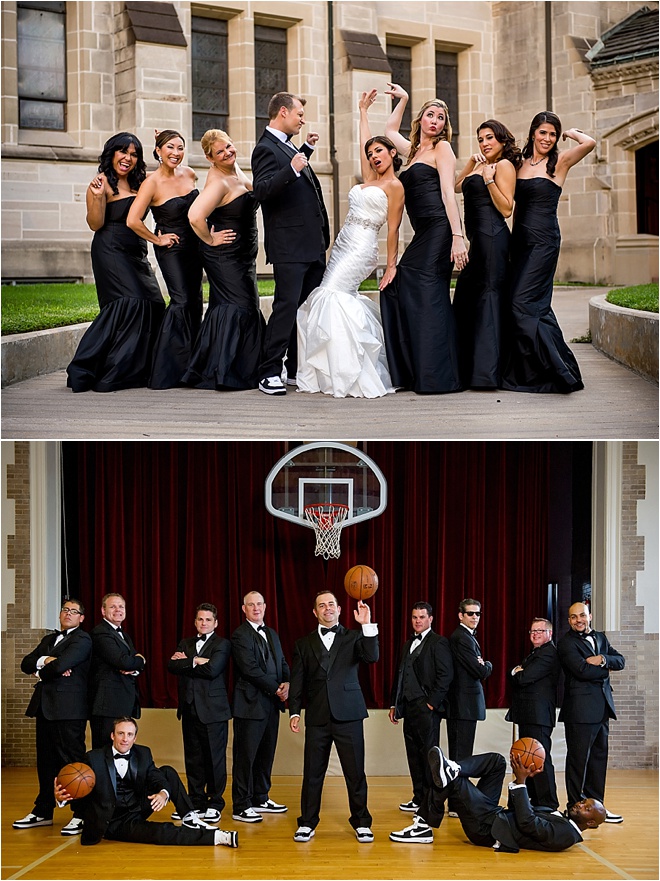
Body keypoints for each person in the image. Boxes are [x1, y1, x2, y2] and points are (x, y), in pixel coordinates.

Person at [296, 89, 404, 398]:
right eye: (371, 154)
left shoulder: (395, 186)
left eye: (380, 152)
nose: (373, 156)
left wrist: (390, 265)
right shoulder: (369, 177)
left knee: (332, 294)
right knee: (332, 294)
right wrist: (363, 112)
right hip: (344, 242)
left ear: (392, 153)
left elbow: (394, 229)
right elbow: (363, 143)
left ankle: (348, 371)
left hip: (362, 248)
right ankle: (327, 370)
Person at [380, 83, 467, 394]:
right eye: (430, 115)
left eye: (441, 117)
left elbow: (447, 192)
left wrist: (458, 236)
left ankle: (439, 376)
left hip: (440, 229)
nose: (436, 121)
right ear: (420, 121)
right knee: (399, 285)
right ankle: (414, 370)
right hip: (423, 233)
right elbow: (390, 130)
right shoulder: (413, 151)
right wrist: (403, 99)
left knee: (428, 293)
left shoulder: (442, 149)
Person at [500, 112, 595, 393]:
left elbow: (589, 143)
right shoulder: (519, 164)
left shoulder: (561, 161)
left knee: (522, 302)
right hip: (521, 241)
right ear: (533, 134)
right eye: (543, 133)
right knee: (532, 306)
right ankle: (533, 369)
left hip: (544, 242)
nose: (548, 138)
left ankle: (556, 370)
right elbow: (514, 208)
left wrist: (572, 133)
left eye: (553, 134)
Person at [66, 132, 165, 392]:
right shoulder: (101, 183)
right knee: (128, 303)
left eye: (133, 154)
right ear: (111, 154)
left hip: (136, 252)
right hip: (110, 249)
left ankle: (133, 370)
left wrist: (162, 143)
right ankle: (88, 367)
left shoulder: (141, 181)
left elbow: (166, 170)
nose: (128, 158)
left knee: (153, 303)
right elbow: (95, 224)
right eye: (123, 152)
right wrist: (98, 198)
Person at [54, 716, 238, 848]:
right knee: (161, 832)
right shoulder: (93, 758)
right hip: (115, 821)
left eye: (129, 734)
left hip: (138, 806)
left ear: (135, 737)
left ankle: (189, 817)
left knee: (167, 772)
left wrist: (163, 793)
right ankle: (218, 837)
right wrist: (62, 798)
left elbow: (155, 776)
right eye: (120, 734)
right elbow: (82, 792)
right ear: (112, 735)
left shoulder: (143, 753)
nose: (125, 739)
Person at [251, 91, 330, 395]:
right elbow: (263, 190)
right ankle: (269, 370)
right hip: (289, 245)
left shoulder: (288, 146)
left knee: (304, 308)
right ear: (283, 112)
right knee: (286, 307)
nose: (302, 119)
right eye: (299, 114)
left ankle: (296, 369)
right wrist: (294, 166)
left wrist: (306, 151)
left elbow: (294, 184)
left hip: (310, 244)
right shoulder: (264, 148)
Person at [390, 744, 606, 849]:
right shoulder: (564, 820)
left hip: (487, 829)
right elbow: (518, 811)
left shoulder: (566, 836)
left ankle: (423, 825)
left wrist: (521, 782)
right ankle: (454, 767)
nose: (579, 804)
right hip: (496, 815)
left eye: (586, 808)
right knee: (496, 762)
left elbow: (526, 822)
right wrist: (521, 778)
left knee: (454, 782)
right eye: (583, 801)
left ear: (591, 823)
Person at [288, 592, 378, 843]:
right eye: (321, 605)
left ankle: (362, 822)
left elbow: (372, 657)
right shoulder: (303, 644)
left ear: (339, 609)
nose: (327, 608)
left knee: (355, 771)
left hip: (349, 714)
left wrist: (366, 625)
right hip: (317, 715)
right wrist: (294, 710)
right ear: (314, 613)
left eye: (331, 604)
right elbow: (297, 680)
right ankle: (307, 822)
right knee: (312, 772)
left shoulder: (355, 636)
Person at [183, 129, 264, 390]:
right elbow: (195, 216)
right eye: (220, 152)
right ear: (210, 158)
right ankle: (230, 372)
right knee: (243, 307)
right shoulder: (218, 181)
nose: (228, 152)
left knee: (232, 304)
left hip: (242, 256)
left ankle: (217, 365)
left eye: (229, 146)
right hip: (224, 256)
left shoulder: (235, 170)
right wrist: (209, 239)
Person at [126, 129, 203, 389]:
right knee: (180, 301)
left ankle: (193, 366)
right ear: (158, 151)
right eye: (170, 147)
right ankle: (168, 370)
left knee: (194, 301)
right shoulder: (151, 183)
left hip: (196, 247)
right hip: (172, 250)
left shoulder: (190, 174)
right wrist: (157, 239)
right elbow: (133, 220)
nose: (176, 153)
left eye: (180, 148)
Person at [13, 599, 91, 836]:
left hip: (69, 710)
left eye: (74, 611)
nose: (68, 613)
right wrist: (45, 661)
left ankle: (81, 813)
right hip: (44, 708)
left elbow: (63, 665)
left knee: (73, 762)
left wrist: (47, 667)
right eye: (65, 610)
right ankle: (43, 811)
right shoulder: (48, 640)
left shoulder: (82, 639)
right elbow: (25, 664)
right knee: (45, 763)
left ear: (81, 618)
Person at [453, 120, 521, 389]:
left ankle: (486, 374)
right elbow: (458, 187)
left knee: (489, 299)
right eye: (480, 139)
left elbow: (506, 209)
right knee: (468, 295)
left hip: (493, 238)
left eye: (490, 138)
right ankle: (471, 368)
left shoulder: (503, 166)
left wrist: (490, 180)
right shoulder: (480, 165)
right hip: (478, 241)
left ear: (502, 141)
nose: (485, 143)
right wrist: (471, 164)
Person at [557, 602, 626, 822]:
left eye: (582, 616)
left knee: (598, 760)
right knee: (578, 762)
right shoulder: (566, 643)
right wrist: (606, 670)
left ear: (590, 616)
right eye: (573, 617)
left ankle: (597, 808)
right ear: (569, 620)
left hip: (602, 708)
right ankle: (574, 808)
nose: (579, 620)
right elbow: (582, 671)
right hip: (579, 711)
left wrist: (603, 659)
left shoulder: (601, 638)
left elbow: (621, 660)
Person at [167, 603, 231, 823]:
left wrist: (186, 663)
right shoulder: (186, 643)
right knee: (193, 759)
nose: (204, 623)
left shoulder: (222, 644)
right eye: (200, 619)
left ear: (215, 623)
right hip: (189, 709)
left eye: (208, 620)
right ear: (195, 622)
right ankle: (195, 801)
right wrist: (194, 660)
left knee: (214, 758)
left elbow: (213, 669)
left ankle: (215, 802)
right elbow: (171, 666)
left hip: (214, 711)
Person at [230, 590, 290, 823]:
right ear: (243, 609)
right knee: (245, 756)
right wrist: (276, 687)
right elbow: (250, 669)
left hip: (272, 705)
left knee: (266, 753)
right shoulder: (240, 635)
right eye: (250, 605)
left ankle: (260, 797)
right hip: (249, 705)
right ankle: (241, 805)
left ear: (265, 607)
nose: (256, 608)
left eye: (259, 604)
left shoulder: (272, 633)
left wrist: (286, 683)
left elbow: (282, 661)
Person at [389, 601, 453, 814]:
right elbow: (400, 675)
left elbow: (446, 676)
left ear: (430, 619)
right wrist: (394, 704)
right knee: (413, 755)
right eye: (415, 617)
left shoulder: (439, 642)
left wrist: (431, 703)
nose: (418, 621)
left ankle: (432, 801)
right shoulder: (408, 644)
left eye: (422, 617)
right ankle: (418, 798)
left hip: (427, 708)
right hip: (408, 707)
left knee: (429, 756)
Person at [505, 617, 561, 809]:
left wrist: (517, 672)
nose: (535, 634)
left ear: (549, 634)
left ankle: (549, 804)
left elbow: (524, 678)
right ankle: (535, 801)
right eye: (532, 631)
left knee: (540, 759)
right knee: (529, 759)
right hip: (529, 714)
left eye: (540, 631)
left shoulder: (548, 653)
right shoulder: (536, 653)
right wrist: (517, 672)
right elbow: (521, 677)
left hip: (539, 716)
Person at [447, 598, 492, 815]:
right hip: (462, 706)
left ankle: (456, 802)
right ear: (460, 615)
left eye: (478, 614)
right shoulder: (461, 638)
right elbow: (480, 671)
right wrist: (487, 664)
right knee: (460, 757)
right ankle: (456, 804)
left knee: (461, 756)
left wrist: (482, 663)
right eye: (470, 613)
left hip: (464, 706)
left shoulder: (467, 637)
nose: (475, 617)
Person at [89, 593, 146, 749]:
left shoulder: (124, 636)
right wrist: (140, 660)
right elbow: (124, 661)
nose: (118, 610)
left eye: (121, 606)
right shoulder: (100, 633)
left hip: (122, 702)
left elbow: (131, 664)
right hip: (107, 704)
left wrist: (135, 666)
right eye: (112, 606)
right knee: (104, 750)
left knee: (120, 750)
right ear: (103, 610)